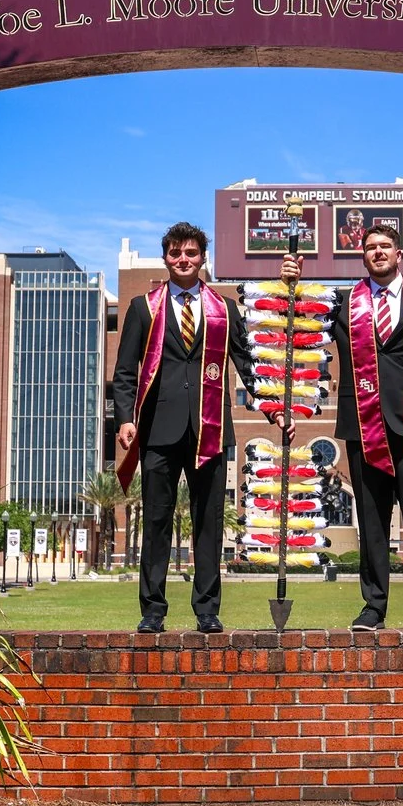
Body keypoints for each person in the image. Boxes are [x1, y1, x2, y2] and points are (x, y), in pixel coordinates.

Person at [284, 222, 403, 638]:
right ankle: (372, 607)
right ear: (363, 256)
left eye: (385, 246)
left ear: (400, 254)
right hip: (363, 427)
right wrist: (293, 282)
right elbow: (300, 320)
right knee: (372, 521)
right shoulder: (347, 304)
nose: (378, 252)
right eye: (371, 248)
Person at [110, 220, 258, 633]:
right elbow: (125, 370)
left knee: (208, 522)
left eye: (191, 253)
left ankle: (207, 610)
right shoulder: (145, 307)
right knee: (155, 522)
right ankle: (152, 611)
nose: (183, 260)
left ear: (202, 258)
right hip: (157, 430)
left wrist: (272, 408)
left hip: (210, 430)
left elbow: (245, 364)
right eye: (176, 253)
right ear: (166, 258)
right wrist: (125, 418)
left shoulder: (224, 309)